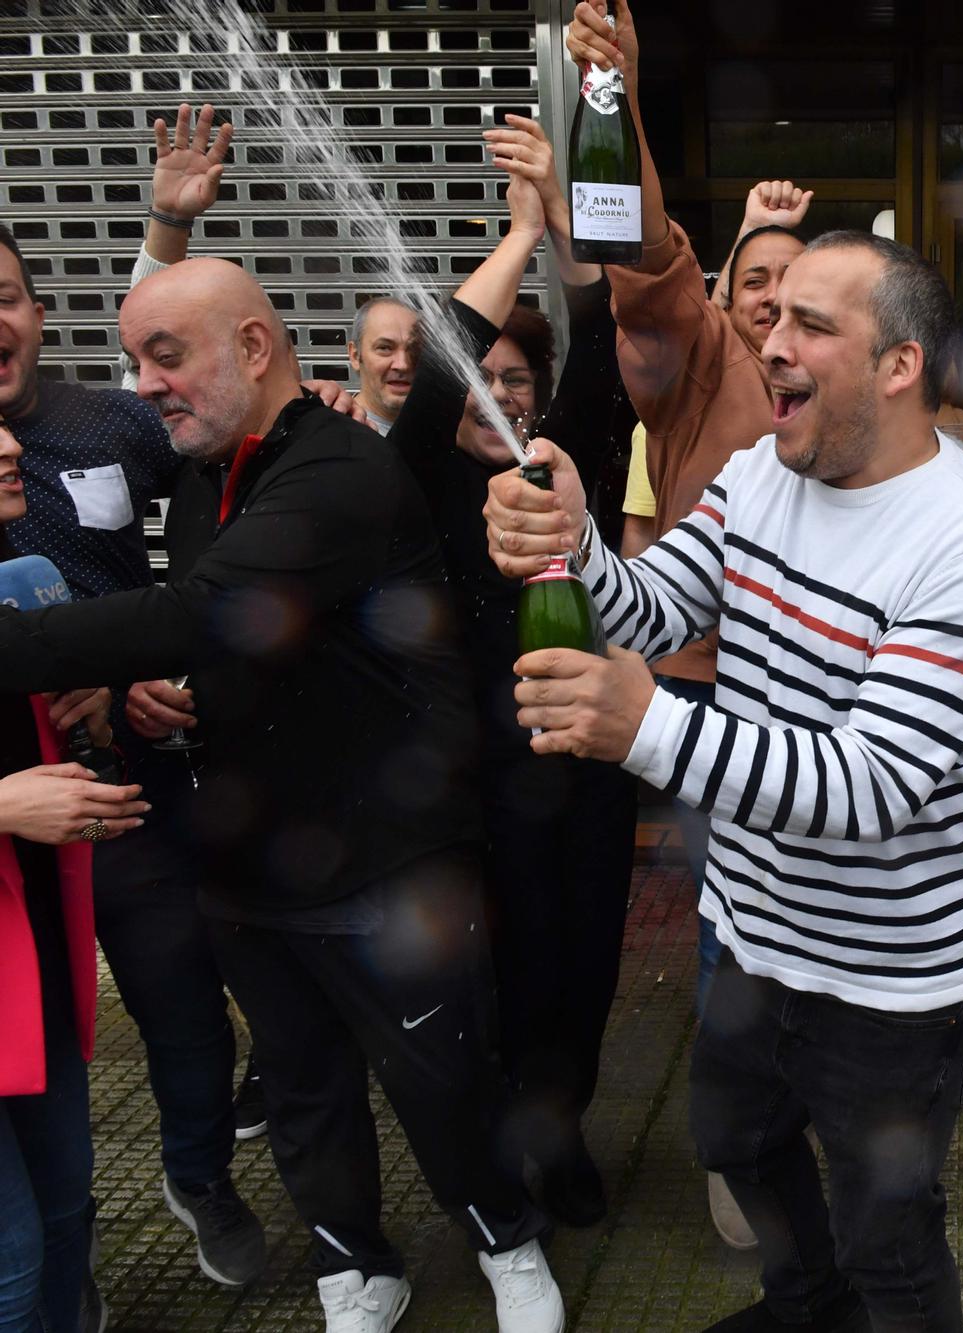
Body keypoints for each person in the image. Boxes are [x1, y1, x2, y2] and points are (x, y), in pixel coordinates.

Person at [483, 228, 963, 1333]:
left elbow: (871, 787)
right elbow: (651, 610)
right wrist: (577, 542)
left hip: (895, 973)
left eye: (809, 325)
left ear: (898, 365)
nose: (769, 340)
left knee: (891, 1230)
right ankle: (805, 1302)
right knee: (735, 1136)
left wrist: (644, 724)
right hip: (755, 926)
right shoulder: (760, 472)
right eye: (769, 314)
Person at [0, 257, 563, 1333]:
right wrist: (166, 693)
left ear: (255, 348)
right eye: (131, 361)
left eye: (166, 356)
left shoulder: (340, 468)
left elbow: (209, 609)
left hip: (384, 858)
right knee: (302, 1086)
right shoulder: (206, 479)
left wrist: (138, 647)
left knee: (440, 1075)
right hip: (246, 859)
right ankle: (354, 1260)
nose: (144, 383)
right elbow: (240, 631)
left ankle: (506, 1236)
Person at [0, 103, 272, 1292]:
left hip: (127, 792)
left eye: (4, 295)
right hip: (14, 805)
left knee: (184, 1004)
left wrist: (169, 681)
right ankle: (60, 1258)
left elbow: (219, 505)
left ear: (36, 313)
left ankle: (197, 1179)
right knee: (42, 1043)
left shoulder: (106, 421)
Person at [567, 0, 808, 1248]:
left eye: (796, 287)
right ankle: (736, 1143)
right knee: (732, 925)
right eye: (752, 283)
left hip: (826, 696)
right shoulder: (697, 355)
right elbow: (643, 261)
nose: (774, 306)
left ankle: (802, 1113)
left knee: (810, 914)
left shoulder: (842, 390)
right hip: (713, 687)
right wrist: (623, 101)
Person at [386, 112, 638, 1227]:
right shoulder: (417, 486)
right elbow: (443, 363)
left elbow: (596, 332)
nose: (500, 393)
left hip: (583, 771)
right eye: (482, 376)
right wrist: (517, 229)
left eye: (516, 378)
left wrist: (566, 225)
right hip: (473, 787)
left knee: (583, 963)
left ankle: (566, 1128)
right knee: (500, 974)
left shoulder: (564, 459)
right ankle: (502, 1152)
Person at [0, 420, 150, 1333]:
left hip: (36, 974)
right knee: (12, 1268)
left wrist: (91, 708)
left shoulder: (23, 581)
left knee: (65, 1215)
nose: (12, 442)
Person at [346, 298, 419, 435]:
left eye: (413, 349)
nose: (403, 365)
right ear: (355, 355)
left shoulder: (442, 431)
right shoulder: (336, 436)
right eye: (385, 348)